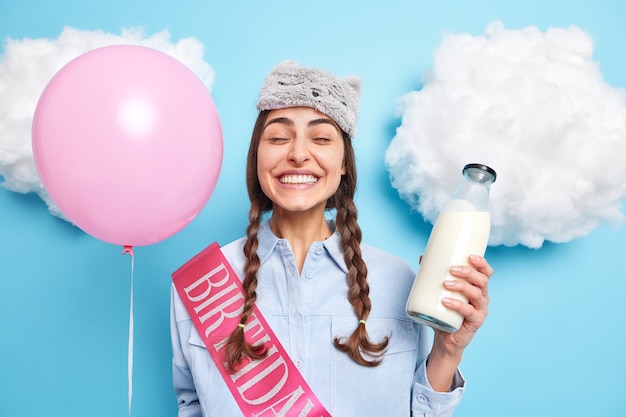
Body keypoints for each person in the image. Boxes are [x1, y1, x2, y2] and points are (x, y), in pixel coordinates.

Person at [170, 60, 493, 417]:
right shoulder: (204, 284)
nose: (297, 153)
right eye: (278, 137)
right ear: (256, 158)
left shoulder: (399, 281)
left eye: (322, 138)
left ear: (343, 164)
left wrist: (448, 351)